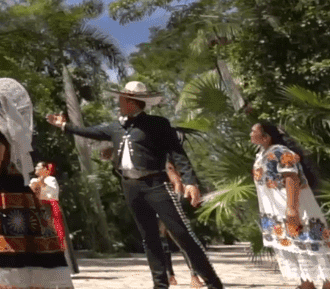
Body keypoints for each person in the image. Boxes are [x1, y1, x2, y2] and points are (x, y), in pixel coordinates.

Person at [47, 81, 223, 289]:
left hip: (156, 183)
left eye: (122, 99)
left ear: (132, 102)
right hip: (131, 186)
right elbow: (91, 132)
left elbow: (177, 152)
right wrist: (64, 126)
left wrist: (190, 181)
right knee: (149, 237)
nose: (118, 103)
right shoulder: (116, 127)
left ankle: (213, 283)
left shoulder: (158, 124)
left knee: (182, 233)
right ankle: (160, 284)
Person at [0, 78, 72, 289]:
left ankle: (7, 284)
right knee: (26, 241)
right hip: (20, 193)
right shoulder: (15, 134)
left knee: (4, 240)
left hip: (1, 193)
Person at [250, 122, 330, 289]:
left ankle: (328, 285)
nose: (250, 133)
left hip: (295, 206)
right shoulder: (263, 154)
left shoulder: (280, 151)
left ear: (266, 137)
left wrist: (292, 209)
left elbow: (292, 178)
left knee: (312, 241)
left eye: (253, 130)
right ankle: (306, 284)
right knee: (295, 246)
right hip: (277, 209)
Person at [29, 161, 78, 274]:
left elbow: (53, 194)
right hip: (38, 209)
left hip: (50, 209)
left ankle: (64, 266)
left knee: (57, 236)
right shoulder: (33, 180)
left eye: (39, 166)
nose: (36, 168)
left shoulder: (51, 180)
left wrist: (42, 183)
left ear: (46, 169)